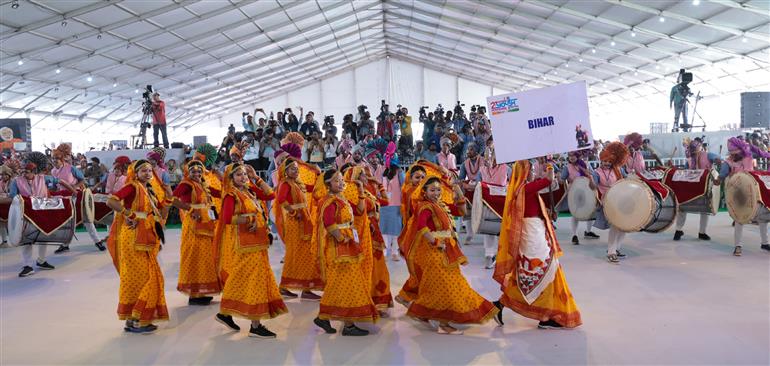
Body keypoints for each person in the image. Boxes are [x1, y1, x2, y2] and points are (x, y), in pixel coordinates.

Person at [400, 176, 498, 334]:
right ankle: (444, 323)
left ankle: (425, 314)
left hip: (447, 252)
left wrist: (456, 188)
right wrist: (436, 243)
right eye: (432, 190)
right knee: (447, 288)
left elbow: (461, 211)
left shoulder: (440, 205)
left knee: (440, 287)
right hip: (436, 253)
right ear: (424, 192)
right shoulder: (425, 207)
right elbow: (422, 228)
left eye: (438, 189)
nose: (436, 193)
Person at [492, 160, 582, 329]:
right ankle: (546, 316)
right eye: (531, 170)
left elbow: (540, 197)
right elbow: (547, 181)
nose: (533, 172)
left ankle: (502, 305)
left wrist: (546, 212)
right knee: (544, 270)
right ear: (524, 172)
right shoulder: (523, 188)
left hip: (536, 233)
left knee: (539, 272)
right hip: (532, 237)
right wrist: (549, 167)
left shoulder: (525, 188)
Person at [213, 163, 287, 338]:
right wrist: (247, 220)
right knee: (254, 279)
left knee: (244, 277)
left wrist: (256, 178)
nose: (243, 177)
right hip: (244, 243)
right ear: (230, 179)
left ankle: (225, 312)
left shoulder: (249, 191)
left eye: (244, 174)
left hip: (257, 242)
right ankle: (255, 324)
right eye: (238, 175)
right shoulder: (231, 195)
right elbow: (227, 218)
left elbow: (270, 194)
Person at [105, 160, 170, 333]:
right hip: (133, 238)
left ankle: (136, 318)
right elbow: (111, 201)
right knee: (139, 278)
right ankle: (135, 319)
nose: (148, 173)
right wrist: (129, 214)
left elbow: (160, 211)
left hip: (147, 235)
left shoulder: (149, 189)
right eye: (143, 171)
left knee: (149, 275)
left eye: (149, 170)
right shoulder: (132, 187)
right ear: (135, 172)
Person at [313, 169, 379, 336]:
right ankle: (348, 325)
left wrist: (361, 191)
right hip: (339, 247)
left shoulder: (341, 199)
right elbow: (328, 223)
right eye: (337, 181)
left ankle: (324, 316)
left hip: (346, 243)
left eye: (342, 180)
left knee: (338, 283)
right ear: (328, 184)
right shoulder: (329, 201)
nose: (341, 183)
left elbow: (359, 211)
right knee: (348, 282)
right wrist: (342, 239)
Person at [5, 157, 76, 277]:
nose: (24, 173)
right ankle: (27, 265)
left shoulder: (43, 178)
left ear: (34, 172)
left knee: (45, 234)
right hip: (26, 213)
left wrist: (73, 190)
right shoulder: (16, 181)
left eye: (27, 171)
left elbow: (60, 181)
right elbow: (13, 198)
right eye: (23, 171)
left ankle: (41, 261)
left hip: (44, 212)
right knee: (26, 239)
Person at [172, 161, 221, 305]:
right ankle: (194, 294)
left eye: (199, 171)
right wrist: (190, 209)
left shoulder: (202, 184)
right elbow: (172, 199)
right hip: (194, 225)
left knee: (205, 258)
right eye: (193, 172)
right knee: (194, 256)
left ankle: (203, 291)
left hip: (206, 224)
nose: (197, 174)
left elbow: (221, 193)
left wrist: (221, 176)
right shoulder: (186, 184)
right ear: (188, 172)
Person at [274, 158, 323, 299]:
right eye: (292, 169)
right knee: (295, 254)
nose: (295, 171)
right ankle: (286, 287)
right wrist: (294, 212)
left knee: (305, 255)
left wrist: (318, 173)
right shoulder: (285, 183)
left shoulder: (295, 183)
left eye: (296, 168)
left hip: (303, 221)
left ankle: (306, 288)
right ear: (285, 171)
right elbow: (281, 200)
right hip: (296, 223)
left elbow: (311, 189)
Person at [48, 144, 107, 253]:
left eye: (56, 158)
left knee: (86, 219)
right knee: (67, 221)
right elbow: (56, 185)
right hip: (63, 198)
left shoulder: (71, 168)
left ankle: (97, 241)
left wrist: (73, 188)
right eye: (53, 158)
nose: (54, 160)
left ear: (61, 158)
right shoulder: (53, 171)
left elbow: (83, 180)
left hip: (77, 196)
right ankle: (65, 244)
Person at [718, 137, 770, 256]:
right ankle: (738, 246)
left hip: (753, 190)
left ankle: (765, 243)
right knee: (739, 218)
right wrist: (719, 179)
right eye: (731, 154)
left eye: (735, 153)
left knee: (762, 217)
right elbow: (723, 173)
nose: (733, 156)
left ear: (741, 151)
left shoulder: (748, 155)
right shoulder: (729, 161)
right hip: (738, 193)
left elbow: (762, 153)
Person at [673, 139, 721, 242]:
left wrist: (718, 160)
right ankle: (681, 230)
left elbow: (717, 159)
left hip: (704, 186)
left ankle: (698, 232)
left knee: (703, 209)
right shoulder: (690, 159)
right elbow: (685, 172)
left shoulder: (708, 155)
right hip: (693, 187)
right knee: (683, 207)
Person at [394, 164, 427, 307]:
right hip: (414, 230)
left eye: (423, 177)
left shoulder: (425, 191)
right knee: (418, 266)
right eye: (417, 177)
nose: (420, 180)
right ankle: (405, 296)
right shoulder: (409, 191)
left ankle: (416, 296)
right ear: (410, 178)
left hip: (423, 231)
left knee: (424, 266)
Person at [592, 142, 629, 263]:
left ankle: (616, 249)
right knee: (615, 225)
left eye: (609, 161)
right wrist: (591, 182)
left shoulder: (618, 170)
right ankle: (611, 251)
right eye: (605, 161)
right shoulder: (596, 172)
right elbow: (593, 186)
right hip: (607, 201)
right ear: (601, 160)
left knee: (624, 226)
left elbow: (625, 180)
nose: (607, 163)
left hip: (619, 199)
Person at [479, 150, 511, 269]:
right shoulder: (482, 169)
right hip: (487, 202)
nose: (489, 157)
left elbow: (513, 182)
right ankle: (489, 254)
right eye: (487, 155)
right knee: (488, 228)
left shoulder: (506, 168)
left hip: (502, 202)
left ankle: (500, 254)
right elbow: (478, 185)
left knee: (501, 228)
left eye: (491, 155)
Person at [560, 151, 600, 245]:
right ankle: (575, 235)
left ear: (577, 156)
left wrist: (588, 174)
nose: (571, 157)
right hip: (574, 193)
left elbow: (593, 175)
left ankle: (588, 231)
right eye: (570, 156)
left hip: (588, 191)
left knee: (590, 211)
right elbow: (562, 180)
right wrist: (561, 179)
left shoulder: (585, 164)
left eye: (573, 155)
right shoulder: (567, 167)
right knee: (575, 213)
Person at [380, 157, 404, 261]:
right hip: (384, 204)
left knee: (396, 229)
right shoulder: (383, 172)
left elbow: (404, 186)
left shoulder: (399, 172)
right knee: (383, 228)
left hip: (396, 203)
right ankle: (384, 251)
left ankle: (395, 251)